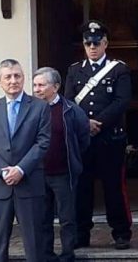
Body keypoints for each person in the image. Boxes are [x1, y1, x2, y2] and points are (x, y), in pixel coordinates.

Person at [64, 20, 133, 250]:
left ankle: (121, 232)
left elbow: (122, 101)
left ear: (105, 43)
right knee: (82, 188)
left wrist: (99, 123)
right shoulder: (75, 70)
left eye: (97, 43)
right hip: (83, 139)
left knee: (114, 187)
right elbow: (69, 101)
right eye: (88, 43)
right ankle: (81, 233)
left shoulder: (119, 69)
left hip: (109, 137)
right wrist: (85, 123)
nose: (92, 47)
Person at [0, 59, 50, 262]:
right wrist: (4, 170)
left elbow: (43, 143)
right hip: (0, 185)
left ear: (23, 78)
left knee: (34, 244)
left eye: (17, 76)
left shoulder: (39, 107)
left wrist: (20, 169)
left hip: (29, 184)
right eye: (8, 77)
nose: (13, 81)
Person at [32, 67, 90, 262]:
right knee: (43, 217)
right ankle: (46, 254)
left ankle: (67, 254)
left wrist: (72, 158)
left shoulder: (71, 109)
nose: (37, 89)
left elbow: (83, 137)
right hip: (37, 173)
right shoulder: (30, 109)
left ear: (55, 87)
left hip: (63, 173)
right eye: (35, 85)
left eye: (41, 85)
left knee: (67, 218)